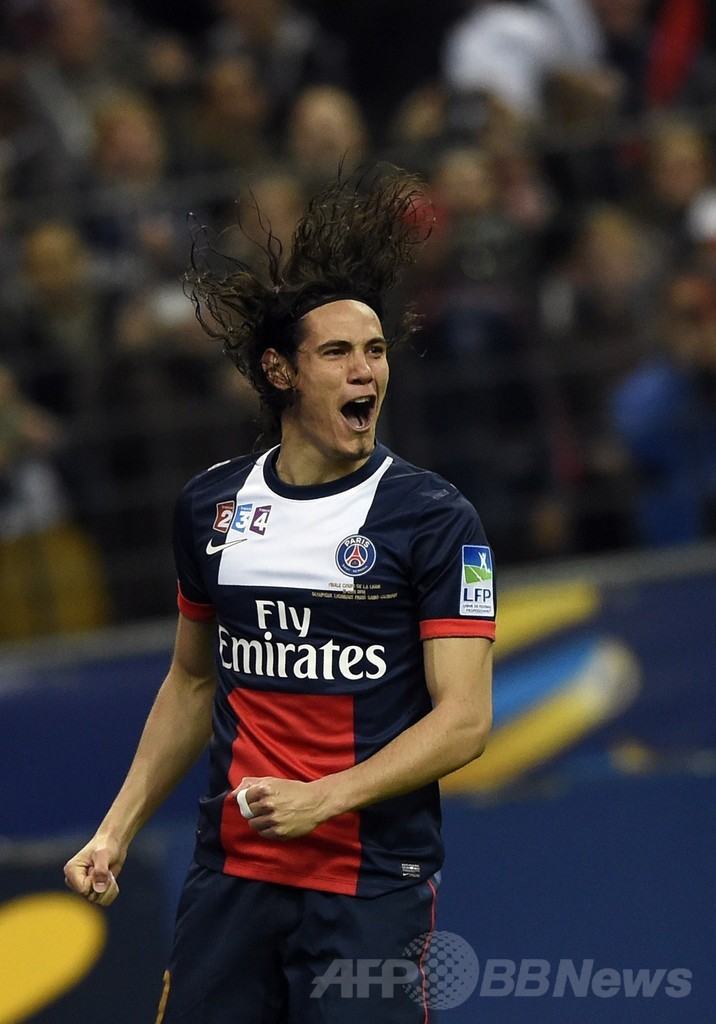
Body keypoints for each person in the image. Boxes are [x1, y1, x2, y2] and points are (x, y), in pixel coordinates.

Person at [63, 165, 495, 1022]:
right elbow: (193, 680)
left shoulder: (435, 518)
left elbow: (465, 721)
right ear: (280, 370)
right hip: (231, 880)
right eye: (337, 353)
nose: (365, 371)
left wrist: (322, 798)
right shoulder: (211, 507)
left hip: (370, 886)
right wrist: (115, 830)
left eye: (375, 351)